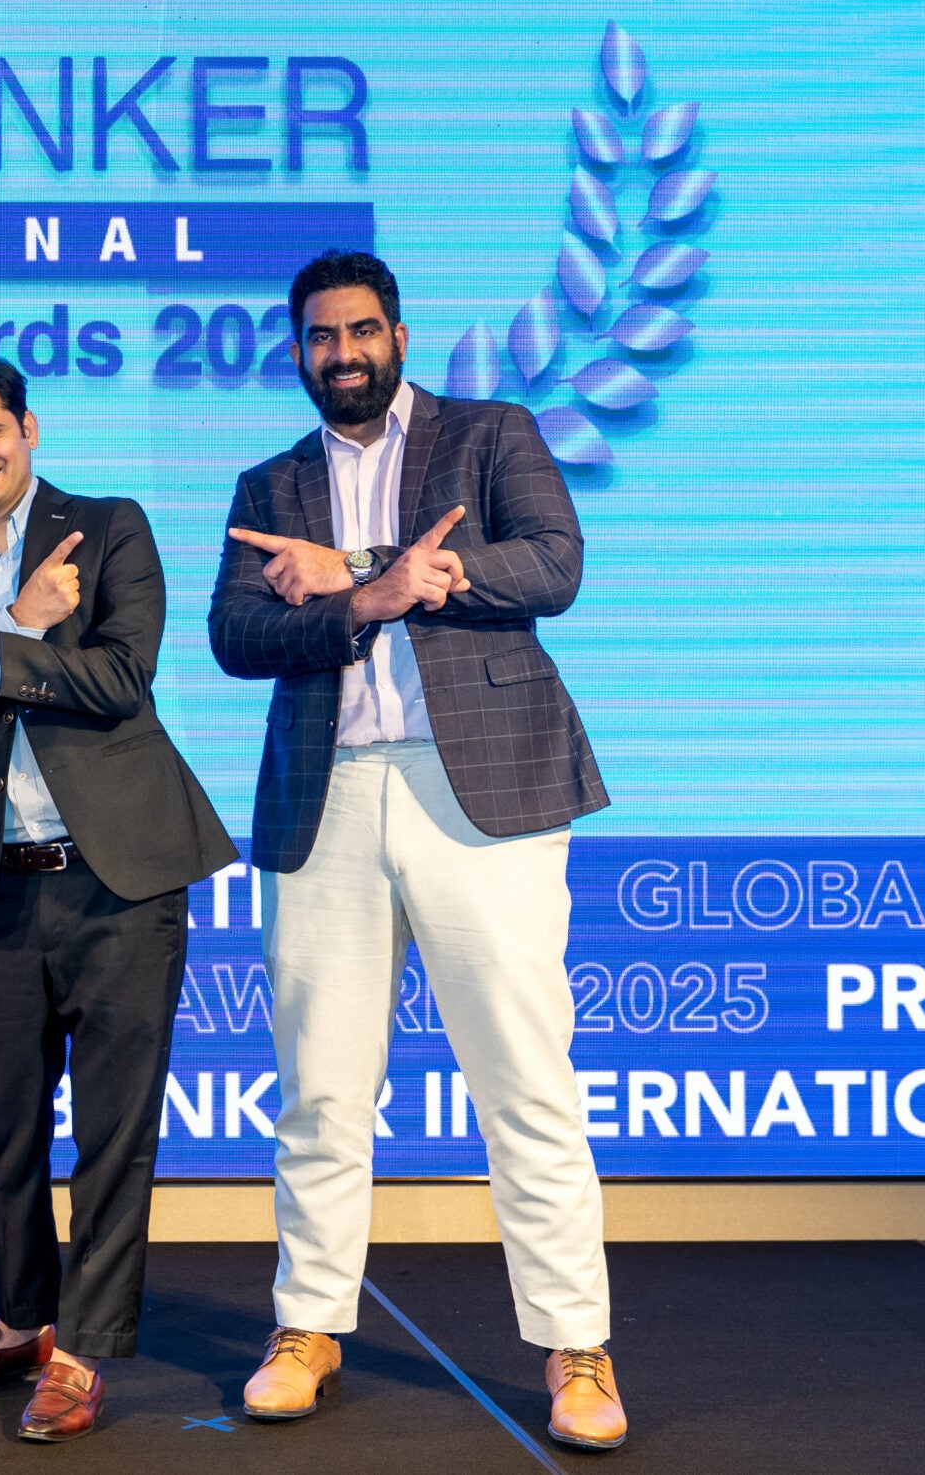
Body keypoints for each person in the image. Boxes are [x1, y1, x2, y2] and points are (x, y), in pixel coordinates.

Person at [207, 248, 624, 1451]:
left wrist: (390, 572)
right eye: (319, 336)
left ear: (397, 334)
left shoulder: (489, 435)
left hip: (477, 785)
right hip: (326, 792)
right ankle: (306, 1324)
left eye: (359, 331)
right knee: (320, 1086)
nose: (340, 353)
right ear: (298, 350)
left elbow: (554, 563)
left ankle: (576, 1345)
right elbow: (237, 633)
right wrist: (357, 604)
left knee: (525, 1079)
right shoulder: (270, 481)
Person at [0, 353, 235, 1442]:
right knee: (4, 1127)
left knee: (113, 1132)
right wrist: (12, 632)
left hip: (120, 876)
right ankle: (22, 1320)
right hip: (3, 886)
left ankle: (82, 1351)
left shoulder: (108, 529)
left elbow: (122, 678)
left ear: (28, 429)